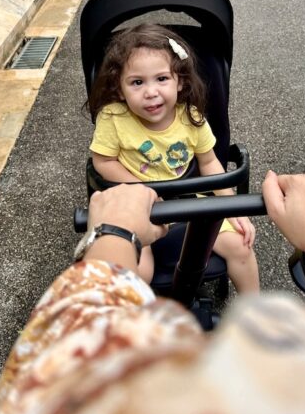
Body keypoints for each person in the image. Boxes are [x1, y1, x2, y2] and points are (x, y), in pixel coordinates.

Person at [0, 172, 305, 414]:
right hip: (156, 205)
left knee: (233, 246)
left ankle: (216, 302)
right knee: (146, 267)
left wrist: (113, 235)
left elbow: (49, 397)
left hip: (160, 211)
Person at [87, 23, 260, 292]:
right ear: (120, 90)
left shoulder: (191, 118)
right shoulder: (114, 118)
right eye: (137, 82)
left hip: (190, 203)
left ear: (179, 81)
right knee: (140, 272)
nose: (151, 91)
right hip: (141, 207)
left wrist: (232, 207)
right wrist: (142, 190)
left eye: (161, 79)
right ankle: (136, 321)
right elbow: (103, 162)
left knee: (241, 246)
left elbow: (209, 163)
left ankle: (254, 314)